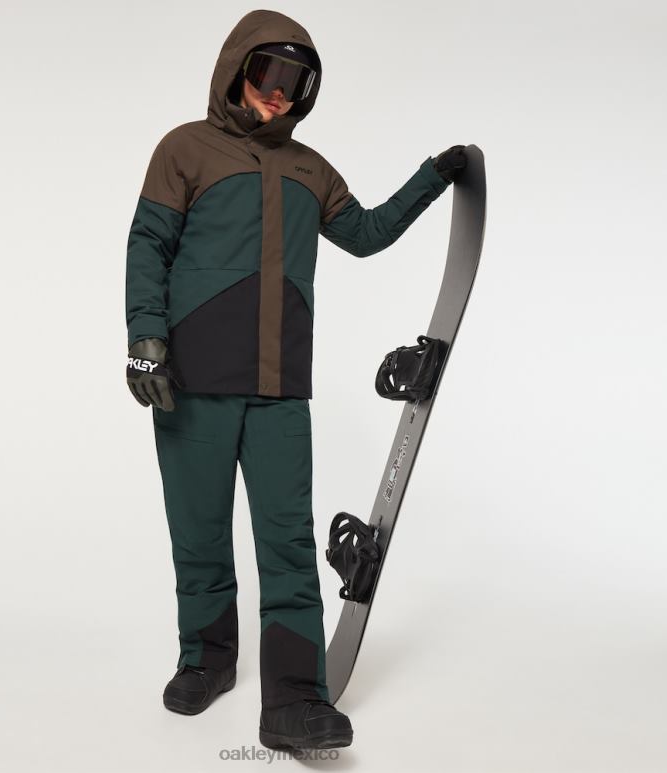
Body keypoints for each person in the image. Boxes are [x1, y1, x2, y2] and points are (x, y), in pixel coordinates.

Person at [124, 9, 466, 751]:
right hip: (191, 380)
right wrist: (145, 340)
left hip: (280, 385)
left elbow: (367, 234)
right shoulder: (184, 149)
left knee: (286, 539)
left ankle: (293, 697)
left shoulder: (312, 170)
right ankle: (206, 660)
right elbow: (148, 243)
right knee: (199, 532)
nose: (278, 91)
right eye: (266, 72)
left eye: (296, 80)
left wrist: (433, 177)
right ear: (237, 71)